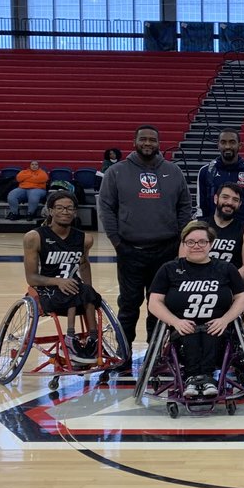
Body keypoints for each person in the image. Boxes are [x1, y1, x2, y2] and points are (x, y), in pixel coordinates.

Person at [98, 124, 194, 365]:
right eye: (144, 139)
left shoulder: (173, 171)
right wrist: (117, 241)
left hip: (166, 250)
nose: (148, 143)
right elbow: (106, 207)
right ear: (134, 142)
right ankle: (123, 353)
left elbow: (184, 206)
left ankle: (156, 354)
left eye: (152, 139)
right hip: (130, 249)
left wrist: (181, 237)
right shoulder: (117, 171)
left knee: (159, 304)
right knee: (129, 304)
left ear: (159, 143)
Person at [149, 221, 244, 399]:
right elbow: (154, 302)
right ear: (183, 244)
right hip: (181, 330)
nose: (196, 246)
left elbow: (242, 298)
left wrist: (225, 319)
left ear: (210, 244)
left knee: (210, 329)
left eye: (202, 242)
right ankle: (195, 378)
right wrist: (175, 322)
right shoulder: (169, 269)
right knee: (191, 330)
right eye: (191, 242)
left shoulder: (226, 269)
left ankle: (205, 378)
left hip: (219, 329)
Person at [22, 189, 102, 365]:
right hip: (46, 289)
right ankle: (70, 338)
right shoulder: (34, 237)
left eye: (69, 208)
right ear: (50, 211)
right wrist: (58, 281)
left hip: (73, 287)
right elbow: (31, 278)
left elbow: (84, 264)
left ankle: (93, 339)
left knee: (85, 291)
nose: (65, 212)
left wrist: (88, 290)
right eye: (60, 207)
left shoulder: (84, 239)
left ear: (75, 212)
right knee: (71, 289)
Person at [196, 128, 244, 240]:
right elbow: (201, 208)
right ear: (218, 145)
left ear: (240, 145)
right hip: (214, 235)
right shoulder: (205, 172)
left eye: (232, 142)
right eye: (223, 142)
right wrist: (202, 234)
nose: (227, 146)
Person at [207, 182, 244, 282]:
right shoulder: (197, 226)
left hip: (232, 289)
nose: (230, 202)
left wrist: (223, 284)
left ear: (239, 204)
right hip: (198, 287)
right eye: (225, 197)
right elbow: (184, 260)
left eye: (235, 200)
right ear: (216, 199)